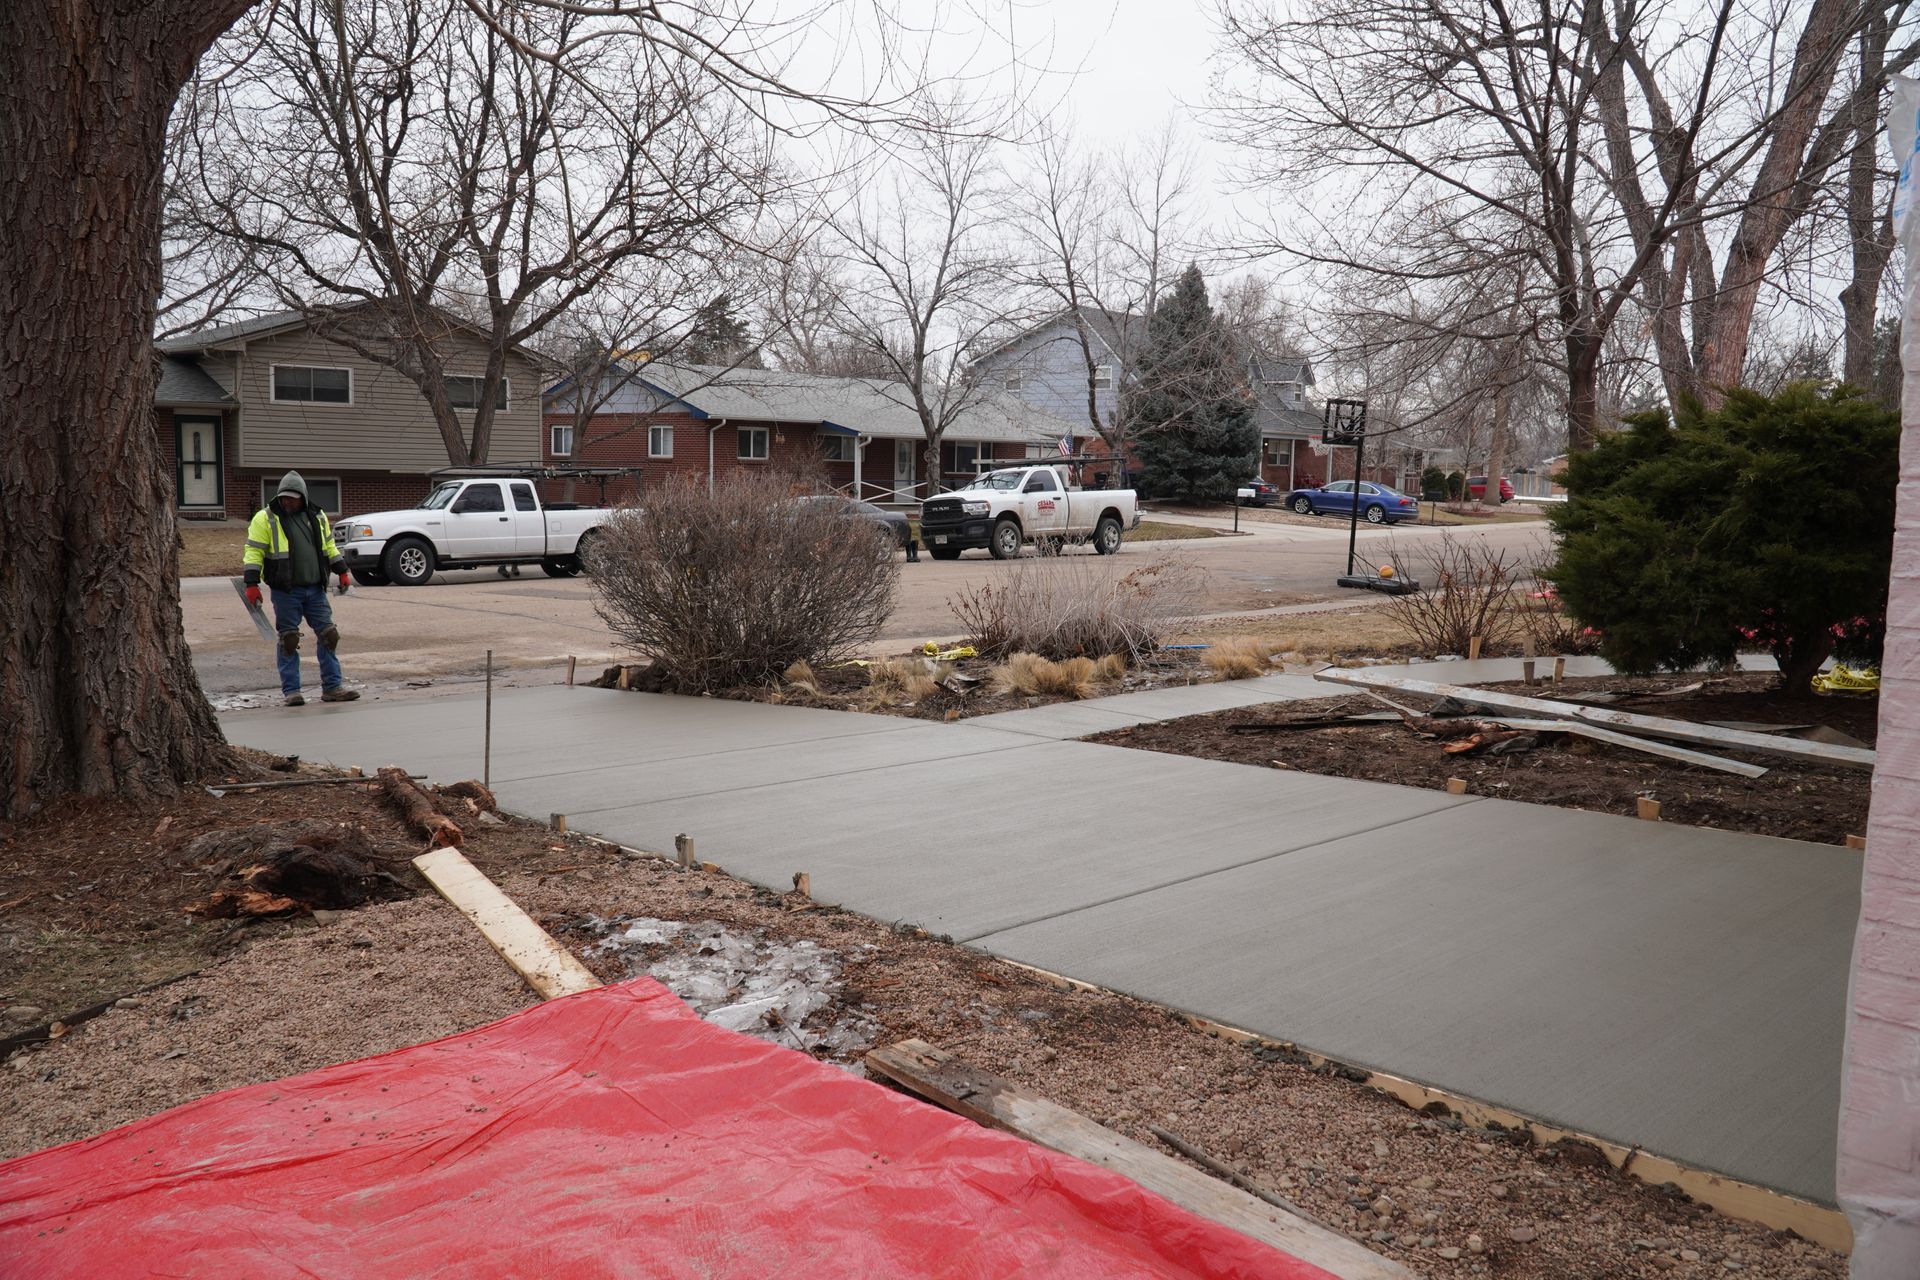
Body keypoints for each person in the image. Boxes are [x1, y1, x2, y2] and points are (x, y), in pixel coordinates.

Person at [242, 471, 359, 707]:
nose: (287, 502)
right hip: (286, 590)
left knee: (329, 635)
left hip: (315, 589)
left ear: (303, 497)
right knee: (288, 639)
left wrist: (342, 571)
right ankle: (292, 691)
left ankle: (332, 687)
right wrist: (251, 583)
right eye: (284, 497)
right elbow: (253, 552)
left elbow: (328, 546)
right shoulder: (265, 519)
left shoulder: (317, 516)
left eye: (293, 498)